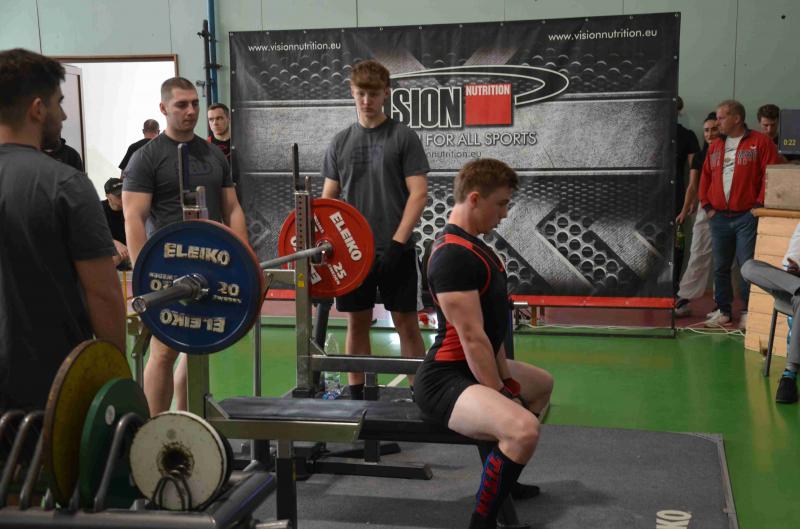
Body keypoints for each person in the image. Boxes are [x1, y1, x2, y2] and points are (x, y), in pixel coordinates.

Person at [414, 158, 553, 529]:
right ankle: (482, 521)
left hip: (474, 365)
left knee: (541, 385)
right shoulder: (451, 257)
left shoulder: (473, 246)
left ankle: (506, 479)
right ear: (475, 199)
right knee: (523, 430)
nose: (505, 214)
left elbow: (492, 330)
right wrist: (501, 393)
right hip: (445, 378)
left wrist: (506, 378)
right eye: (501, 204)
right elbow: (472, 338)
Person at [0, 48, 125, 410]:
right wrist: (115, 378)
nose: (64, 115)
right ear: (38, 109)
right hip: (51, 388)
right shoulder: (66, 184)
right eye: (59, 103)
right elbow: (102, 294)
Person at [123, 77, 247, 415]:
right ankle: (154, 427)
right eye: (181, 104)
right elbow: (134, 218)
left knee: (197, 346)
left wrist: (246, 262)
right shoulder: (146, 158)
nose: (190, 110)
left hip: (210, 265)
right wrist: (143, 277)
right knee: (165, 350)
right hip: (167, 269)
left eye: (194, 103)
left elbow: (233, 209)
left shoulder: (214, 154)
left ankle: (186, 423)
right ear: (163, 108)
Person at [321, 59, 429, 400]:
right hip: (353, 253)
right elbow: (328, 200)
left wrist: (398, 243)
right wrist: (335, 246)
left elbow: (419, 193)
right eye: (361, 93)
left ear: (386, 93)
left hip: (397, 248)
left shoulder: (403, 137)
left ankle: (421, 396)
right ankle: (358, 395)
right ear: (352, 93)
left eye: (373, 93)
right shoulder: (340, 142)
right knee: (357, 322)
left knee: (407, 324)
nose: (366, 100)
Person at [699, 100, 780, 328]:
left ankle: (747, 311)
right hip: (718, 217)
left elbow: (771, 174)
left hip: (746, 216)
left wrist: (759, 205)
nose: (717, 122)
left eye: (721, 118)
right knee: (720, 267)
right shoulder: (715, 146)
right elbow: (705, 175)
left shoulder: (761, 142)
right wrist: (707, 205)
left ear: (736, 118)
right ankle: (723, 310)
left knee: (747, 267)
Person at [740, 221, 800, 403]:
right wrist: (793, 268)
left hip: (795, 295)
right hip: (790, 283)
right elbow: (791, 258)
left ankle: (789, 375)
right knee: (749, 267)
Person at [674, 113, 719, 317]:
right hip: (705, 208)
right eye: (706, 130)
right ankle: (684, 298)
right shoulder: (701, 156)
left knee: (726, 261)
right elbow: (693, 185)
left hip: (730, 211)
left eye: (714, 129)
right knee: (698, 252)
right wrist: (684, 209)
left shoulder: (731, 153)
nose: (710, 134)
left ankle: (722, 303)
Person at [673, 96, 701, 294]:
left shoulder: (687, 135)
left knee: (677, 242)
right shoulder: (649, 131)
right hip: (649, 197)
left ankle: (673, 286)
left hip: (677, 196)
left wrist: (692, 199)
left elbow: (694, 171)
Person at [101, 177, 130, 269]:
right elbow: (91, 234)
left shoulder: (132, 207)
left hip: (130, 249)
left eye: (124, 193)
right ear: (108, 196)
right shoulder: (98, 209)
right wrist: (115, 243)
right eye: (118, 195)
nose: (122, 197)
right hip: (110, 251)